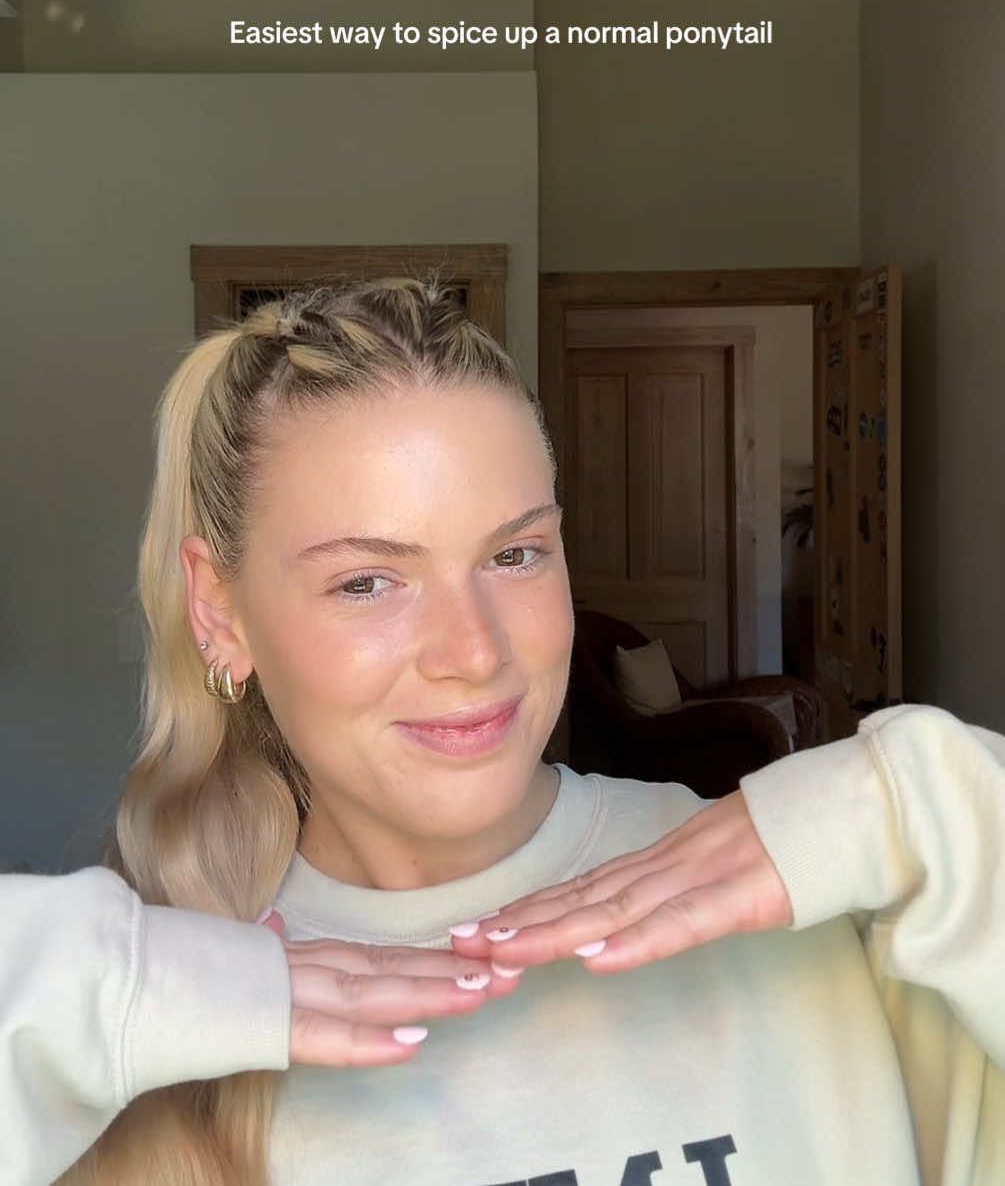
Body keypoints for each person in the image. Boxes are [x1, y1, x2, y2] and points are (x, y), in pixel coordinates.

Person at [1, 275, 1002, 1186]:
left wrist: (941, 811)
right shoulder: (141, 1027)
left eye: (515, 554)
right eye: (368, 581)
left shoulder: (819, 896)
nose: (473, 652)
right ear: (220, 612)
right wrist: (64, 997)